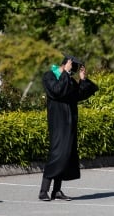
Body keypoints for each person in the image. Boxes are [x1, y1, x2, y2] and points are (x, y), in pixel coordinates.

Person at [39, 54, 99, 201]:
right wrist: (65, 72)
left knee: (65, 155)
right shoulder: (49, 76)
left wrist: (83, 80)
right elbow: (57, 91)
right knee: (57, 153)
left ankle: (57, 191)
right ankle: (43, 190)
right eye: (73, 67)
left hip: (70, 122)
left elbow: (78, 95)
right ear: (67, 64)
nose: (73, 70)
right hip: (58, 121)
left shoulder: (69, 79)